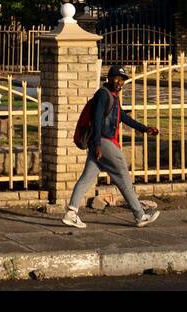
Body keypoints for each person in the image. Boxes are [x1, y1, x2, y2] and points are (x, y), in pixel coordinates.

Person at [63, 64, 160, 229]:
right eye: (117, 78)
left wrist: (144, 129)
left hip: (100, 144)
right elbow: (97, 118)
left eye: (122, 80)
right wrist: (98, 144)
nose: (119, 82)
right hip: (103, 142)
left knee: (86, 178)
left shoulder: (113, 97)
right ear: (109, 78)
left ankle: (71, 213)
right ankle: (139, 215)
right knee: (123, 176)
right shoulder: (103, 95)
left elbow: (123, 117)